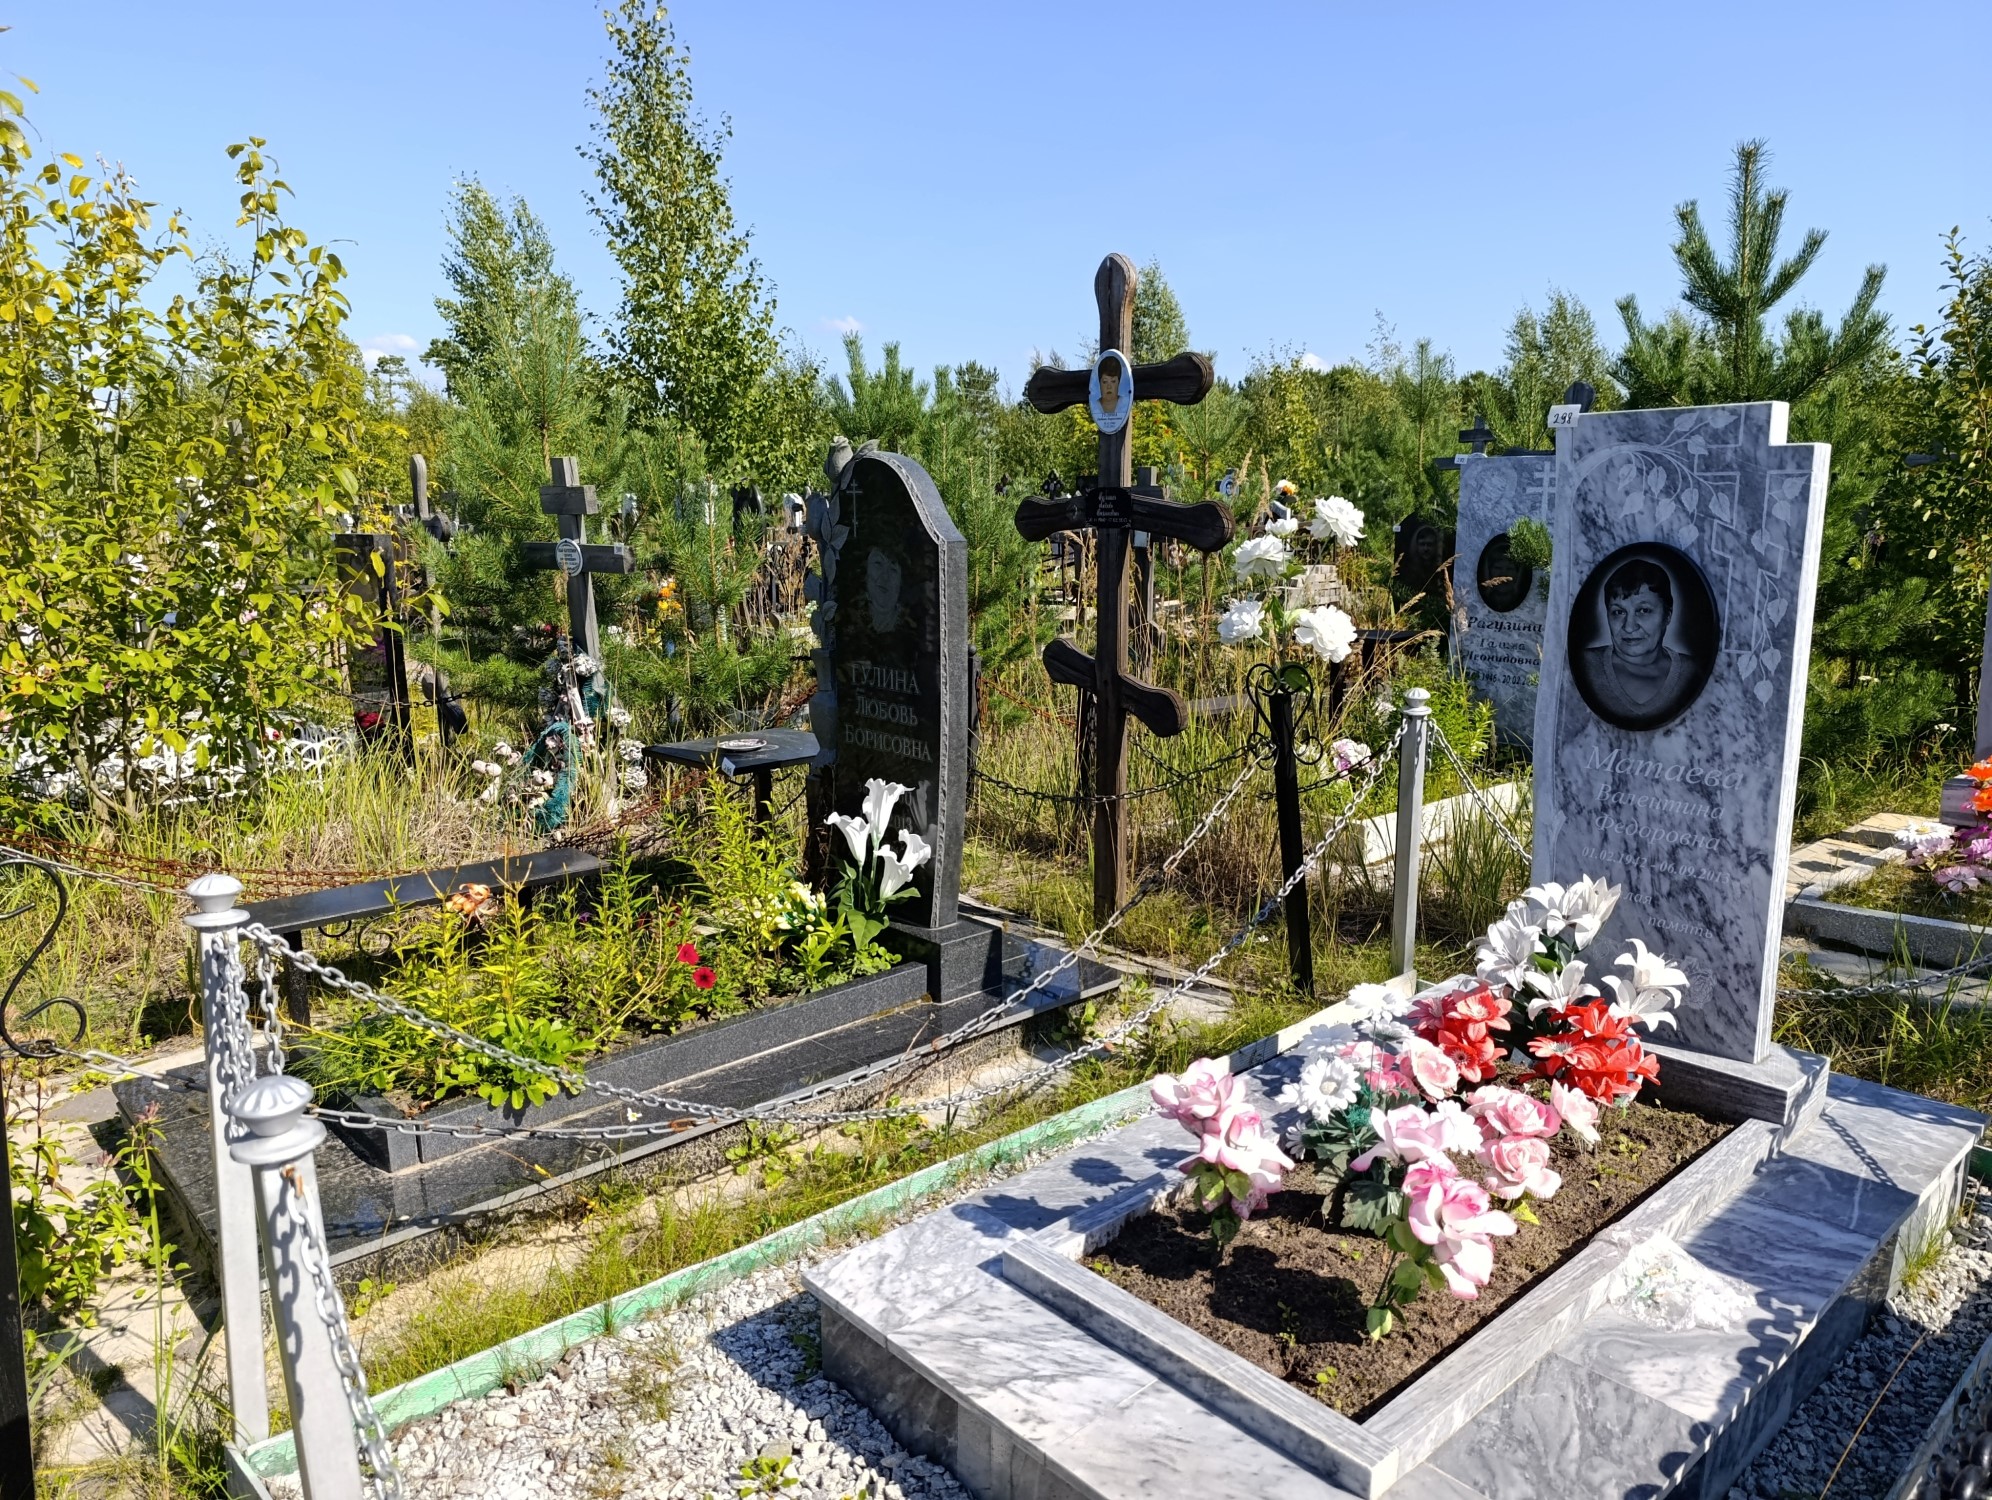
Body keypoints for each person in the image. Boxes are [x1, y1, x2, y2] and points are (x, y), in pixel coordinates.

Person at [1581, 558, 1696, 724]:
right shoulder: (1585, 666)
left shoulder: (1691, 672)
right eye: (1618, 612)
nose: (1629, 627)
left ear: (1667, 616)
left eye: (1643, 610)